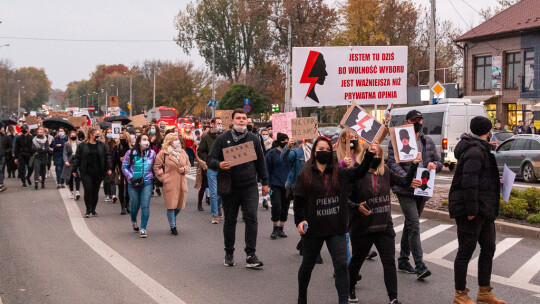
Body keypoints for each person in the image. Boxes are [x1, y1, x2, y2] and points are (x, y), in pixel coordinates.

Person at [294, 136, 377, 304]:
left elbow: (359, 173)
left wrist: (369, 154)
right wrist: (299, 220)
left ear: (331, 151)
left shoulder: (339, 173)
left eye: (326, 149)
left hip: (336, 228)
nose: (323, 152)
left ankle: (343, 301)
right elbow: (298, 199)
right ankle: (302, 297)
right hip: (314, 229)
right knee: (308, 265)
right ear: (314, 152)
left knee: (341, 266)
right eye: (320, 149)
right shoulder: (305, 173)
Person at [348, 144, 421, 304]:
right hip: (362, 227)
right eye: (372, 154)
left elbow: (403, 181)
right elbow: (346, 199)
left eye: (379, 154)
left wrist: (414, 164)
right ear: (365, 155)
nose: (376, 157)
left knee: (389, 262)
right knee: (357, 260)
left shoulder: (386, 171)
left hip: (384, 226)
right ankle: (350, 287)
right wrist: (357, 207)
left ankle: (393, 298)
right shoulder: (357, 174)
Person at [449, 116, 505, 304]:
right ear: (487, 131)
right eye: (490, 129)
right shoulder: (474, 151)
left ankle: (484, 291)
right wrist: (471, 210)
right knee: (465, 251)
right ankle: (460, 294)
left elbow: (478, 178)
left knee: (489, 248)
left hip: (484, 208)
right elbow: (469, 182)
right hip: (471, 210)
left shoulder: (479, 149)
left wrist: (494, 181)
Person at [207, 109, 269, 268]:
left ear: (247, 120)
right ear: (233, 120)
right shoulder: (223, 138)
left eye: (244, 118)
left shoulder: (253, 139)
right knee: (230, 220)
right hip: (230, 187)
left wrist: (265, 183)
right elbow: (210, 159)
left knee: (251, 218)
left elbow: (261, 162)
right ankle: (229, 252)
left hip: (249, 186)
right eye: (238, 118)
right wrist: (219, 164)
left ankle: (251, 254)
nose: (242, 120)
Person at [387, 109, 442, 279]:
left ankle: (403, 260)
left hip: (422, 189)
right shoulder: (396, 140)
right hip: (405, 190)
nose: (417, 122)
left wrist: (434, 165)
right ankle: (419, 265)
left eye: (419, 119)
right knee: (414, 225)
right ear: (407, 122)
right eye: (413, 120)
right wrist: (406, 179)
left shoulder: (427, 141)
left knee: (410, 225)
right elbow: (392, 164)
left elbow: (439, 161)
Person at [335, 130, 378, 263]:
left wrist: (370, 154)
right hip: (342, 196)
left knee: (356, 231)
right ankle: (346, 266)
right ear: (343, 139)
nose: (353, 140)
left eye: (355, 137)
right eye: (350, 137)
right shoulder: (335, 154)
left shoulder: (359, 154)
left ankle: (355, 258)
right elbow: (331, 172)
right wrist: (342, 164)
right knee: (344, 233)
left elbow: (361, 172)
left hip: (357, 195)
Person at [153, 133, 190, 235]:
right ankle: (173, 226)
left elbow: (188, 164)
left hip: (181, 182)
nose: (178, 141)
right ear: (170, 141)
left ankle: (173, 218)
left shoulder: (182, 152)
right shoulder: (163, 153)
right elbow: (156, 167)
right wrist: (164, 178)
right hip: (169, 182)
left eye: (178, 139)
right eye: (175, 139)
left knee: (180, 205)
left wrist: (184, 169)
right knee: (170, 205)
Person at [71, 128, 113, 218]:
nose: (99, 136)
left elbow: (107, 157)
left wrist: (109, 168)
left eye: (99, 134)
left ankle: (93, 209)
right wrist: (74, 169)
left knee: (95, 191)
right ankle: (88, 210)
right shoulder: (82, 145)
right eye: (97, 134)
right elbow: (77, 158)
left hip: (98, 172)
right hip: (86, 172)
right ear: (91, 135)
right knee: (88, 190)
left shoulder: (102, 145)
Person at [122, 134, 156, 238]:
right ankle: (133, 220)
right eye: (144, 139)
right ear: (139, 142)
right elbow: (124, 167)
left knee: (145, 205)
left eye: (147, 140)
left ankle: (143, 228)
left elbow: (155, 166)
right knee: (135, 205)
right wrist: (130, 177)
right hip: (133, 183)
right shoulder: (131, 153)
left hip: (147, 183)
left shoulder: (152, 153)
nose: (147, 141)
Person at [265, 133, 291, 239]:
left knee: (285, 207)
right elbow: (266, 170)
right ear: (279, 141)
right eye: (284, 140)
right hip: (274, 185)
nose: (285, 142)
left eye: (287, 140)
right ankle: (275, 228)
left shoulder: (291, 153)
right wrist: (267, 184)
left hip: (287, 186)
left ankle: (281, 228)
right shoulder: (271, 154)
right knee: (276, 206)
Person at [198, 117, 224, 224]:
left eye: (221, 123)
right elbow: (200, 151)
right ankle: (215, 214)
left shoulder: (224, 136)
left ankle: (218, 206)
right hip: (212, 168)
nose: (220, 125)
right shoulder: (206, 137)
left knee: (222, 192)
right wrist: (208, 159)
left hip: (223, 168)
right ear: (212, 124)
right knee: (213, 192)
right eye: (218, 123)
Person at [112, 131, 131, 215]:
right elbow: (113, 159)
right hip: (120, 171)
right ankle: (123, 206)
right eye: (120, 137)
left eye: (123, 137)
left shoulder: (131, 148)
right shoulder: (117, 147)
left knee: (129, 189)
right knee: (121, 188)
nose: (121, 139)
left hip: (130, 171)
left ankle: (127, 205)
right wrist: (119, 159)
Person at [61, 130, 81, 200]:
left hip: (77, 161)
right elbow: (65, 153)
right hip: (70, 162)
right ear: (69, 137)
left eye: (74, 135)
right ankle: (72, 192)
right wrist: (66, 161)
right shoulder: (67, 144)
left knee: (77, 176)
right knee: (70, 178)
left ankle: (78, 191)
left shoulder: (80, 143)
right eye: (72, 136)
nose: (73, 137)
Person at [103, 128, 118, 203]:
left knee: (112, 179)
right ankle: (106, 194)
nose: (109, 133)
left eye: (110, 132)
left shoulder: (114, 143)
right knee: (106, 180)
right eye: (108, 132)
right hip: (105, 163)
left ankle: (113, 195)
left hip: (112, 163)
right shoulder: (103, 143)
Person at [149, 124, 164, 197]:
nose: (152, 129)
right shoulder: (148, 138)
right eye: (151, 128)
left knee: (157, 173)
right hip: (150, 157)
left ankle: (157, 186)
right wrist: (151, 141)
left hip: (158, 157)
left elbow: (161, 148)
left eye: (153, 128)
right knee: (151, 173)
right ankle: (152, 189)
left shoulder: (160, 138)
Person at [0, 126, 12, 192]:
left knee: (1, 169)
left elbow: (10, 146)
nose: (2, 129)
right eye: (1, 128)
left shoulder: (5, 137)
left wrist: (6, 151)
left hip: (2, 156)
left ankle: (1, 184)